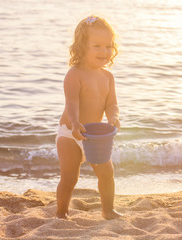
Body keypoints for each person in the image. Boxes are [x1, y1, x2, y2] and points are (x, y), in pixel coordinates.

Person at [55, 16, 122, 220]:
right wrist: (75, 123)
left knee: (106, 174)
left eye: (108, 46)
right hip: (70, 134)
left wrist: (113, 116)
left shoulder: (107, 77)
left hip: (95, 135)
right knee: (69, 178)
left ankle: (108, 210)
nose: (104, 51)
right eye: (97, 46)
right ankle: (61, 213)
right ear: (82, 46)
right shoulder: (75, 74)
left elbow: (111, 104)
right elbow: (72, 103)